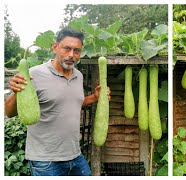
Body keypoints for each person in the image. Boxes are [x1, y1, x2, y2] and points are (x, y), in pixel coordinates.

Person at [5, 27, 110, 176]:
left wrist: (94, 97)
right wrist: (16, 93)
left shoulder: (78, 75)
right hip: (46, 161)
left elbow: (70, 105)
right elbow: (9, 112)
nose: (71, 55)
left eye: (76, 51)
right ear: (55, 47)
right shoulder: (33, 74)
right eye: (67, 48)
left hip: (75, 155)